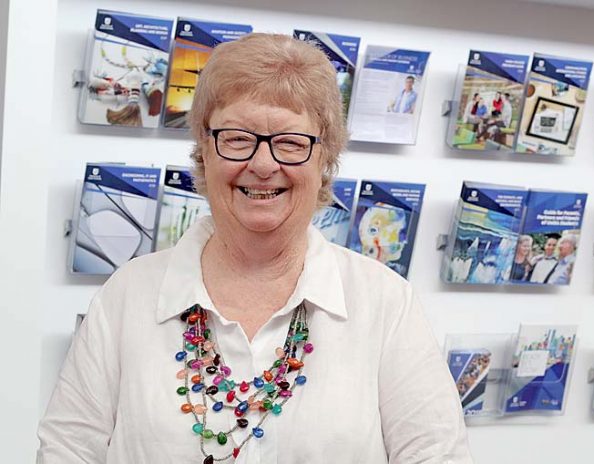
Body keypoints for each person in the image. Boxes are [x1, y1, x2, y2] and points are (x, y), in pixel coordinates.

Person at [37, 34, 473, 464]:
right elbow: (67, 451)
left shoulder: (385, 303)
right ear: (204, 150)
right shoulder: (126, 296)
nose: (263, 165)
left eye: (290, 142)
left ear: (325, 159)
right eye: (237, 138)